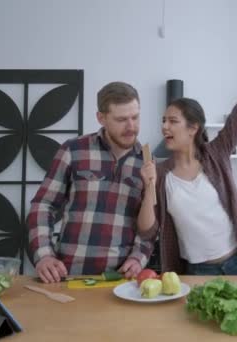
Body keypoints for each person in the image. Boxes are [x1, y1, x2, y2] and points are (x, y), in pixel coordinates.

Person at [137, 26, 237, 275]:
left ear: (193, 128)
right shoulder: (159, 173)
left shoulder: (216, 153)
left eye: (173, 121)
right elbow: (147, 231)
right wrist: (147, 186)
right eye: (163, 121)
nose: (164, 126)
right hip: (200, 272)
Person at [27, 81, 154, 283]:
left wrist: (139, 258)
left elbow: (148, 228)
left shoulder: (147, 161)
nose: (131, 127)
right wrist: (44, 256)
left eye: (135, 117)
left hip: (120, 279)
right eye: (121, 119)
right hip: (69, 276)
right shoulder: (73, 150)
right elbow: (43, 205)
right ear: (101, 118)